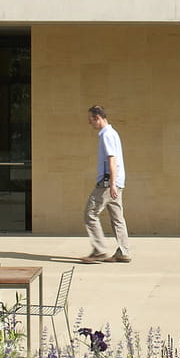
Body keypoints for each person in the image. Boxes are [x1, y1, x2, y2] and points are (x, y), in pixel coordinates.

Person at [79, 105, 131, 264]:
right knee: (117, 218)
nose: (89, 123)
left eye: (90, 119)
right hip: (116, 181)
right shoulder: (113, 133)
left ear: (97, 118)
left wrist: (111, 184)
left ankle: (100, 250)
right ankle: (124, 251)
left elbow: (112, 160)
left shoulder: (106, 135)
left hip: (107, 183)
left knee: (90, 213)